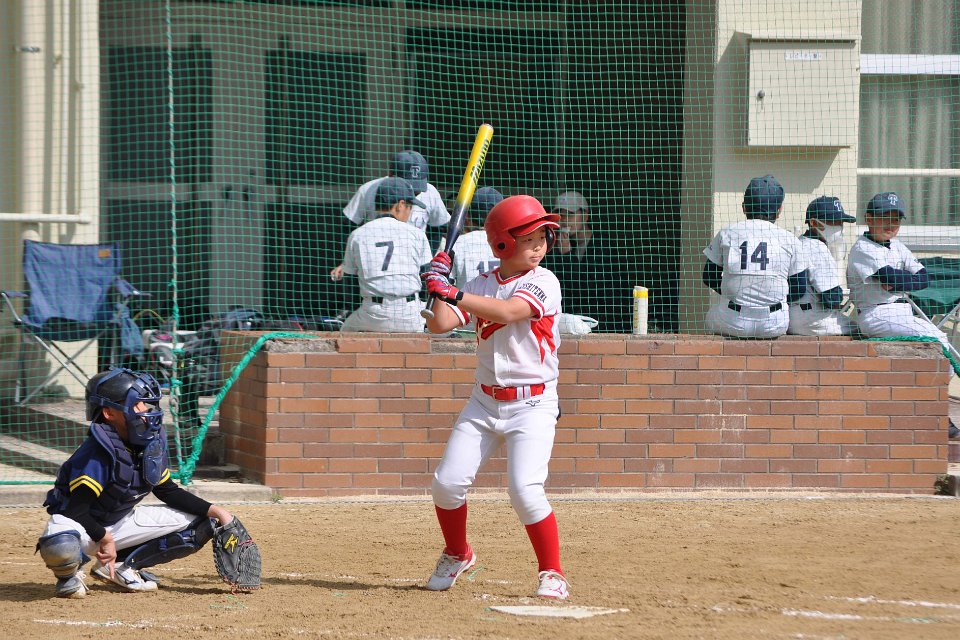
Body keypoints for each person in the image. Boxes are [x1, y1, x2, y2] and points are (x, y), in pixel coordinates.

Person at [420, 195, 569, 600]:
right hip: (484, 401)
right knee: (446, 485)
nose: (538, 246)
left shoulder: (543, 281)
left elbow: (507, 312)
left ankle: (552, 572)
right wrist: (436, 284)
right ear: (502, 243)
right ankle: (458, 553)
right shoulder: (480, 284)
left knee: (525, 490)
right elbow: (440, 325)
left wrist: (452, 292)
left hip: (533, 403)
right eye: (528, 239)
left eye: (542, 238)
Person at [36, 368, 236, 598]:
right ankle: (69, 577)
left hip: (117, 524)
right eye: (138, 404)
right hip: (79, 528)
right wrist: (105, 538)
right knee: (59, 545)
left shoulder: (145, 445)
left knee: (203, 522)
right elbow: (77, 510)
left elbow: (168, 491)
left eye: (146, 404)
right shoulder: (96, 452)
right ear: (109, 413)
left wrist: (219, 512)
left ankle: (123, 566)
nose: (146, 410)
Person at [846, 191, 959, 439]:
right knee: (938, 340)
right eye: (884, 217)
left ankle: (935, 408)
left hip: (900, 312)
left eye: (895, 219)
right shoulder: (863, 248)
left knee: (940, 344)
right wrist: (900, 280)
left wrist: (899, 281)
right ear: (869, 218)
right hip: (876, 314)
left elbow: (923, 278)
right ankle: (940, 414)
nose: (891, 224)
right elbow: (892, 278)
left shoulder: (897, 245)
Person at [702, 175, 807, 339]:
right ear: (779, 210)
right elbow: (799, 289)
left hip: (732, 320)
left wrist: (735, 294)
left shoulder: (727, 232)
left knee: (711, 315)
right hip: (774, 323)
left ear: (744, 207)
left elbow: (708, 276)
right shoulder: (790, 239)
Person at [336, 177, 433, 333]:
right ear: (400, 205)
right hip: (411, 314)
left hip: (372, 313)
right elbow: (427, 277)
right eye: (410, 207)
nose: (410, 211)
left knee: (344, 333)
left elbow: (349, 284)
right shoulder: (417, 234)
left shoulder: (357, 235)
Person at [541, 191, 632, 333]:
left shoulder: (602, 246)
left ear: (585, 216)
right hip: (573, 324)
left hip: (605, 324)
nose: (564, 220)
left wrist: (567, 256)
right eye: (560, 215)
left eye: (570, 214)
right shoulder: (558, 245)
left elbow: (590, 288)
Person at [788, 196, 857, 336]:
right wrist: (849, 305)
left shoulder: (798, 242)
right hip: (814, 319)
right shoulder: (818, 248)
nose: (838, 226)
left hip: (792, 316)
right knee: (862, 329)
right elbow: (832, 297)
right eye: (832, 221)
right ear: (813, 222)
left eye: (840, 222)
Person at [343, 150, 450, 231]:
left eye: (417, 187)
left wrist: (428, 251)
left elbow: (439, 227)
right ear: (391, 175)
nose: (412, 191)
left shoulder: (431, 192)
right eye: (407, 184)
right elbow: (348, 225)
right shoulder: (368, 190)